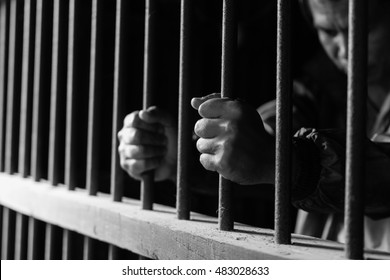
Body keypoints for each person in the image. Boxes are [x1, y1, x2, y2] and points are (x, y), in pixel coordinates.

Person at [118, 0, 390, 252]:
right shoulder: (318, 89)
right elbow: (268, 131)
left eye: (362, 27)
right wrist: (186, 156)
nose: (345, 49)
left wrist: (285, 162)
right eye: (328, 31)